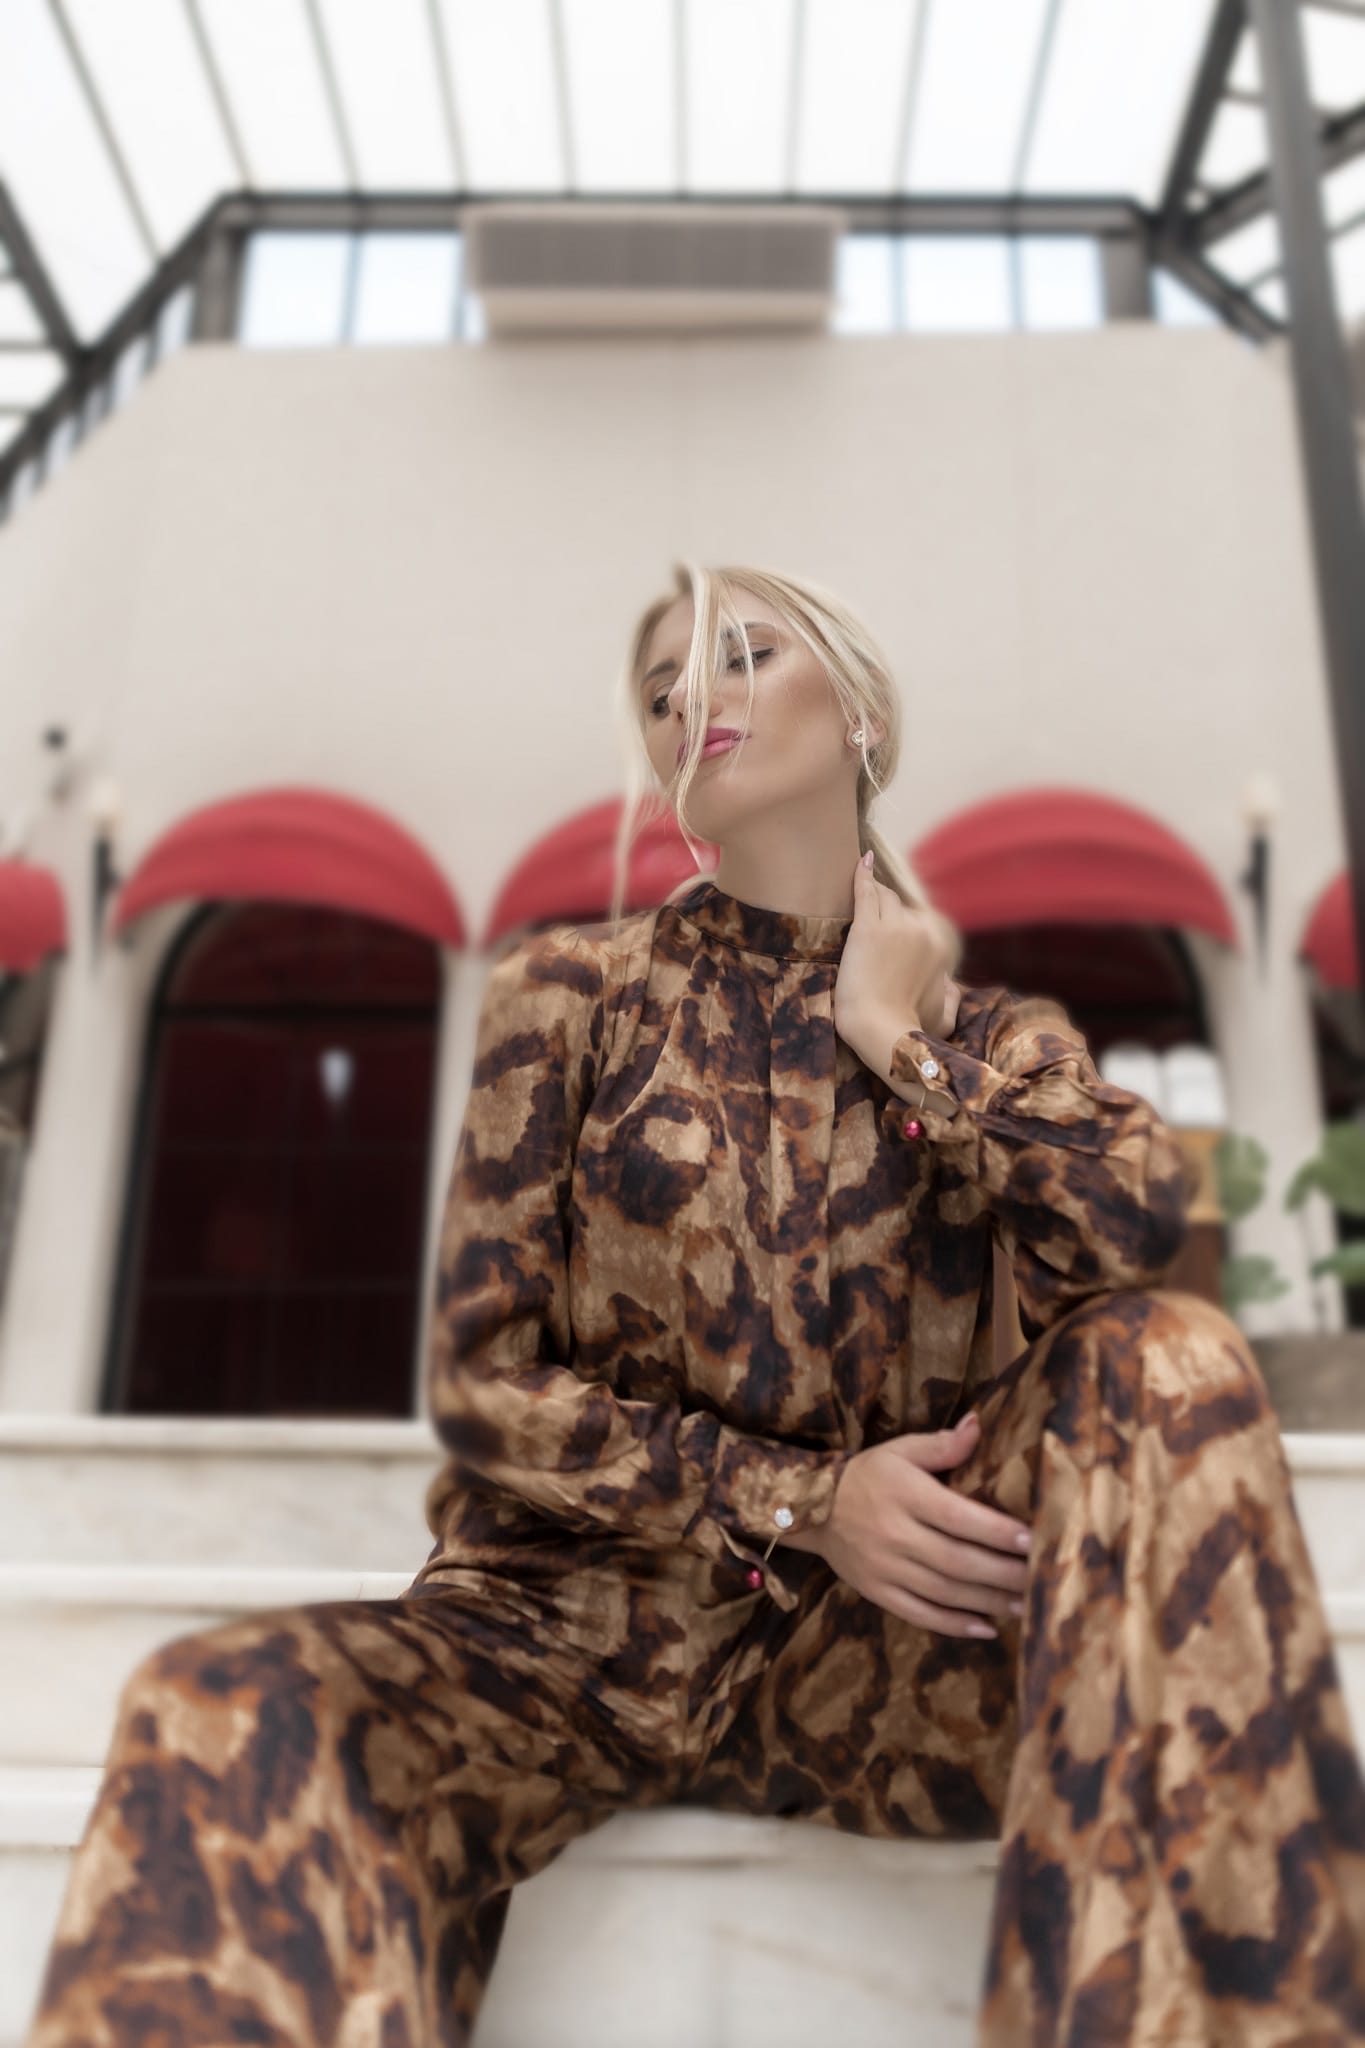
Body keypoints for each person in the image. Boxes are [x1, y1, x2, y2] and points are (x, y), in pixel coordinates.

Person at [27, 562, 1365, 2047]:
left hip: (884, 1664)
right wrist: (803, 1500)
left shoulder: (985, 1035)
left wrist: (896, 1043)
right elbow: (483, 1382)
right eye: (662, 687)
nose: (689, 698)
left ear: (858, 712)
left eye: (739, 653)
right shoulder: (567, 996)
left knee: (1167, 1354)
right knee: (224, 1700)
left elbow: (1127, 1226)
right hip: (563, 1646)